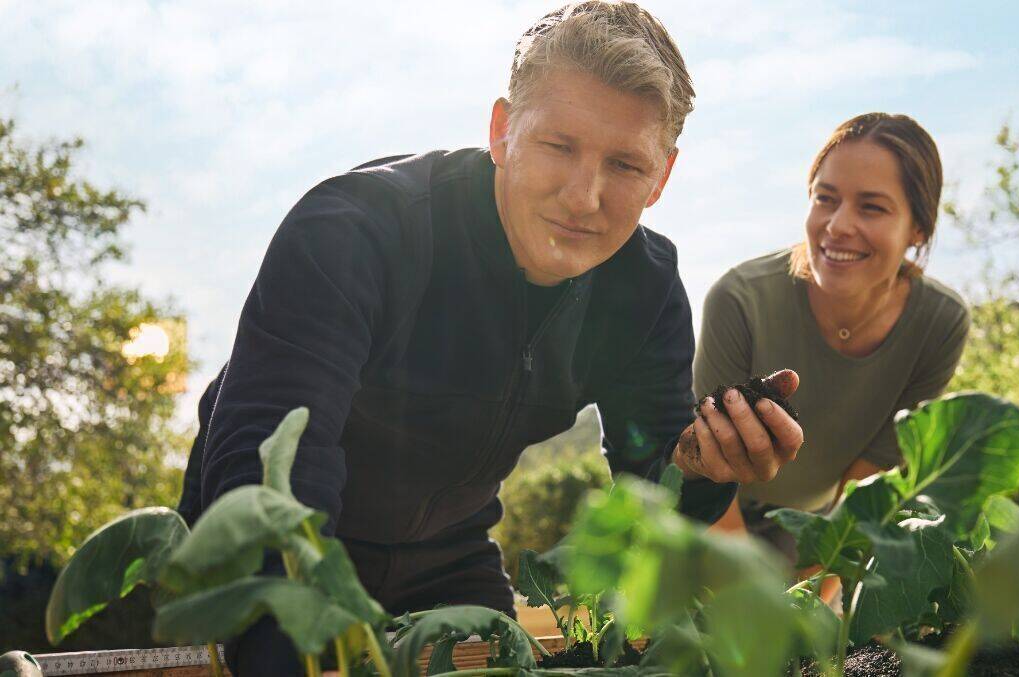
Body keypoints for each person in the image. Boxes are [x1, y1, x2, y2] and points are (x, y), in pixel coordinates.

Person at [177, 3, 804, 674]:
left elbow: (653, 488)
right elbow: (269, 468)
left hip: (447, 558)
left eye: (625, 165)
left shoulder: (645, 294)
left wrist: (703, 467)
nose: (584, 196)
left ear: (663, 175)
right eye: (559, 146)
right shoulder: (353, 232)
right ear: (502, 130)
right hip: (280, 541)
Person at [695, 113, 970, 574]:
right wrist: (748, 605)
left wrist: (814, 603)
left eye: (872, 207)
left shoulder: (939, 324)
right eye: (826, 199)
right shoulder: (740, 300)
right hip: (708, 510)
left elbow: (866, 491)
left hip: (807, 524)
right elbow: (704, 474)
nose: (838, 225)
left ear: (918, 227)